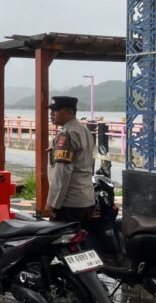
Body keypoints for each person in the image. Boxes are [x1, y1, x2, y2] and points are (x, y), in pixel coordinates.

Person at [44, 96, 95, 225]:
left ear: (70, 112)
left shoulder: (67, 135)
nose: (51, 114)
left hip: (69, 203)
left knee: (59, 242)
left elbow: (62, 173)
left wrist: (52, 203)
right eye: (51, 111)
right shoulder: (84, 130)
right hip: (85, 199)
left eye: (56, 110)